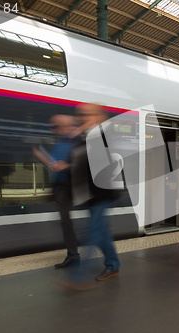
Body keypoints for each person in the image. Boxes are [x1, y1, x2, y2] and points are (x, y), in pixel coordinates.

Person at [55, 104, 120, 290]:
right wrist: (66, 166)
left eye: (86, 114)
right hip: (90, 195)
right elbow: (82, 164)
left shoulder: (103, 136)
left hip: (102, 194)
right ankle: (113, 265)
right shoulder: (84, 137)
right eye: (80, 115)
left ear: (99, 117)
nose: (81, 118)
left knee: (91, 234)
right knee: (101, 235)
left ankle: (74, 278)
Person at [48, 115, 80, 268]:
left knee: (96, 223)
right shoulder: (59, 143)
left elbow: (86, 163)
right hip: (61, 187)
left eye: (56, 126)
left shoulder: (79, 142)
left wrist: (67, 166)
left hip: (75, 186)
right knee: (65, 222)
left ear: (67, 126)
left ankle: (110, 262)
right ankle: (73, 255)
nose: (53, 129)